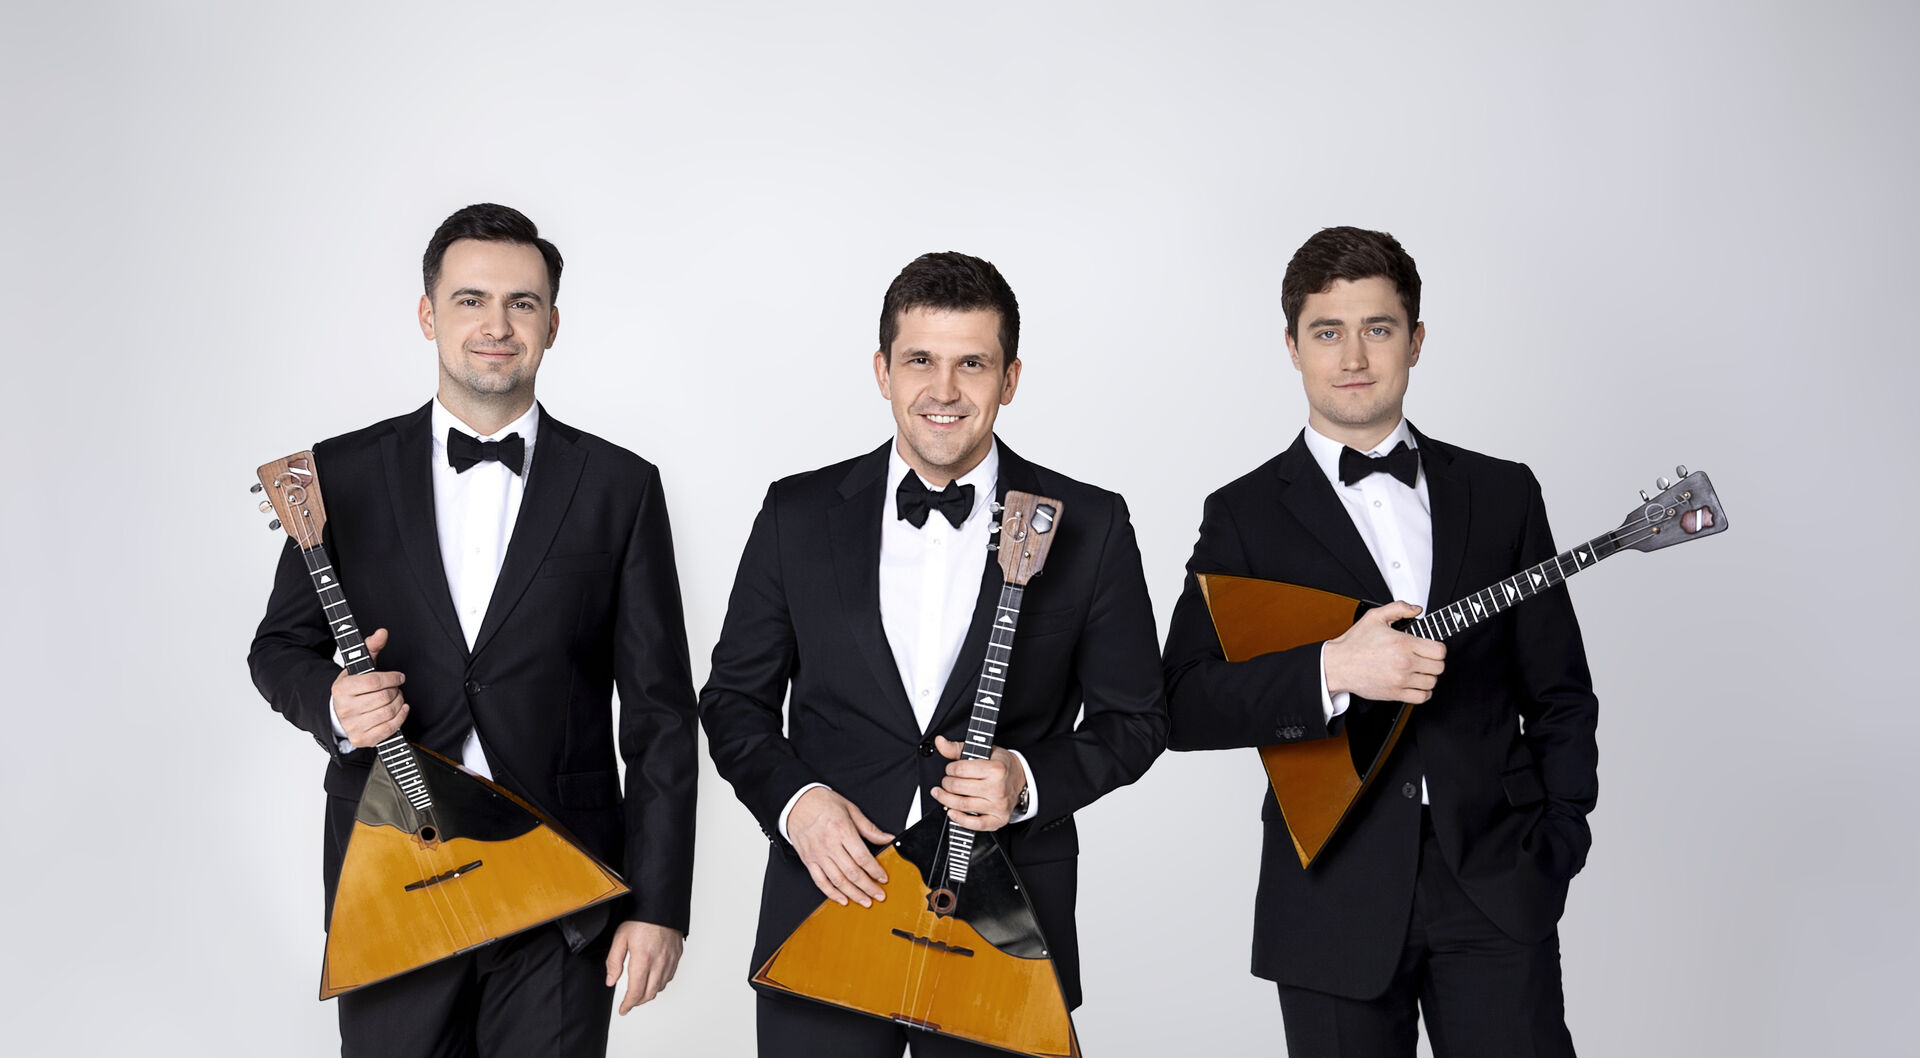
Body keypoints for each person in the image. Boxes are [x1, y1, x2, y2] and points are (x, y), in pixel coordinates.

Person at [247, 203, 698, 1057]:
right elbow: (278, 648)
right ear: (428, 315)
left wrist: (660, 904)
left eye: (522, 303)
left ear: (552, 324)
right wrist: (336, 704)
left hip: (562, 881)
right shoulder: (337, 473)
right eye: (470, 300)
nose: (497, 325)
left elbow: (661, 714)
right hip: (392, 871)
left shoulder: (621, 486)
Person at [699, 251, 1167, 1056]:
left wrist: (1027, 780)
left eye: (972, 364)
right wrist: (797, 804)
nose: (944, 390)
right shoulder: (795, 514)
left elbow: (1138, 719)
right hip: (829, 900)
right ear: (883, 370)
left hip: (1007, 919)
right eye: (920, 360)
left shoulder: (1091, 525)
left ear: (1009, 379)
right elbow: (733, 702)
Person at [1161, 227, 1598, 1057]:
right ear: (1292, 347)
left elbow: (1561, 692)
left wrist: (1559, 840)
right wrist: (1333, 668)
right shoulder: (1243, 515)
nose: (1354, 357)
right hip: (1331, 895)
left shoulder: (1502, 493)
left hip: (1498, 881)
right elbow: (1182, 703)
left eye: (1379, 328)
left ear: (1416, 340)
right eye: (1328, 331)